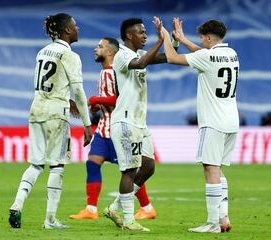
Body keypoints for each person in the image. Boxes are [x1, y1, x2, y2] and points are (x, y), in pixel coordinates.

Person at [8, 13, 92, 229]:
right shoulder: (70, 55)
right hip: (56, 114)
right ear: (66, 31)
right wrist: (87, 123)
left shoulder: (42, 52)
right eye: (75, 26)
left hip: (37, 109)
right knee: (57, 166)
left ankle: (17, 204)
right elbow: (80, 91)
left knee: (36, 164)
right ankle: (50, 219)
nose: (78, 29)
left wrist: (67, 99)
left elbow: (49, 83)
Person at [161, 18, 239, 233]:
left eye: (202, 38)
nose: (200, 41)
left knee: (209, 167)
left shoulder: (206, 55)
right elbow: (202, 54)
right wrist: (183, 39)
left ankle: (213, 223)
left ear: (207, 37)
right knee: (218, 168)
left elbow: (172, 57)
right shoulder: (231, 53)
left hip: (213, 121)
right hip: (231, 120)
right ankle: (223, 218)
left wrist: (167, 37)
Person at [68, 37, 156, 220]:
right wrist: (97, 106)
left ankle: (147, 207)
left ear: (110, 52)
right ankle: (91, 209)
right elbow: (108, 101)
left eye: (100, 46)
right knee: (92, 163)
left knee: (129, 170)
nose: (95, 48)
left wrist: (95, 100)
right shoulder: (103, 73)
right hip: (103, 128)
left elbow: (119, 100)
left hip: (118, 128)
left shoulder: (114, 73)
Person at [103, 17, 172, 232]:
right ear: (129, 35)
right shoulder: (121, 56)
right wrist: (159, 42)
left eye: (145, 32)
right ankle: (128, 220)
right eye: (141, 32)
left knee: (148, 166)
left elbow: (166, 58)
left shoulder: (139, 53)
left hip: (139, 122)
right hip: (125, 121)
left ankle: (114, 207)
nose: (144, 35)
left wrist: (172, 39)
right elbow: (140, 64)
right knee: (130, 170)